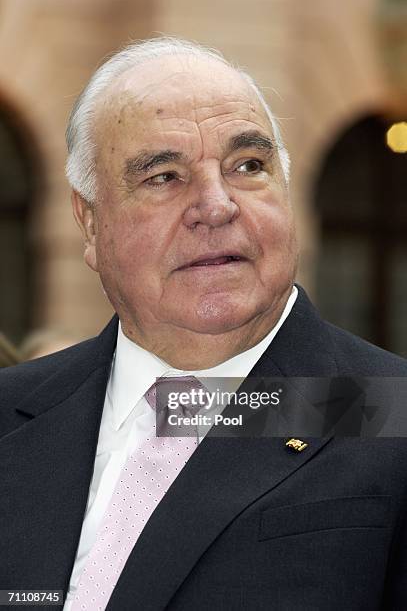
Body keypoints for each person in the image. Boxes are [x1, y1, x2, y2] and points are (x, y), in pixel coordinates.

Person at [1, 37, 406, 611]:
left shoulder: (385, 410)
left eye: (248, 166)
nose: (217, 205)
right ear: (89, 223)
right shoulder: (11, 414)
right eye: (165, 176)